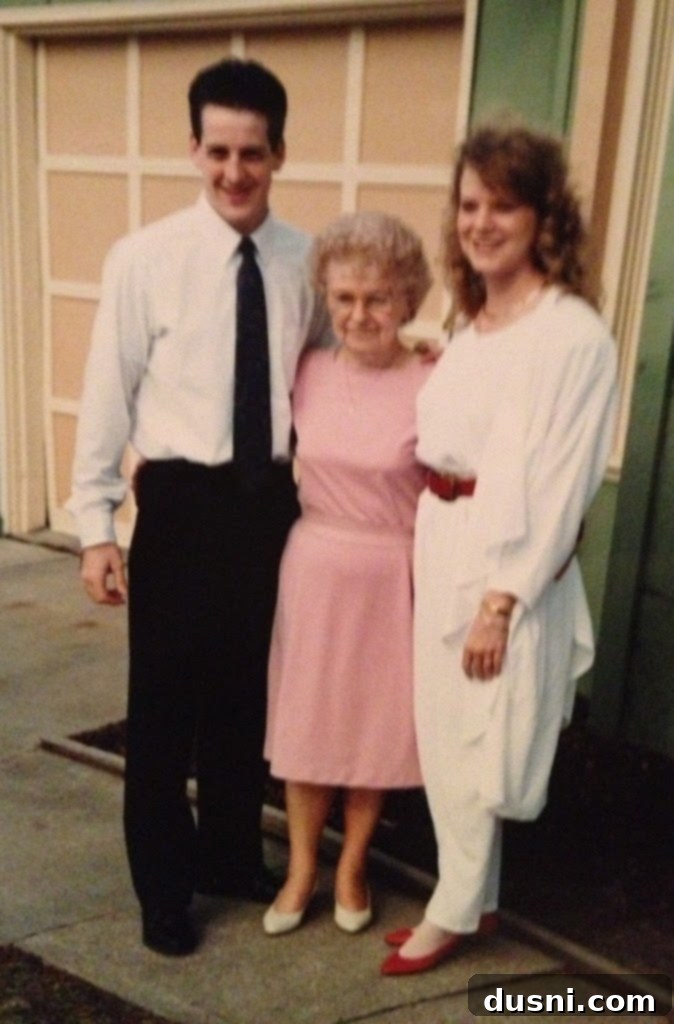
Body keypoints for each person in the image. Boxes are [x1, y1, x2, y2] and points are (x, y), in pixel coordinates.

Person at [68, 58, 332, 957]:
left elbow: (328, 382)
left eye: (251, 153)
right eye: (216, 151)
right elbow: (108, 391)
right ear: (193, 148)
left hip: (270, 506)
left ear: (279, 153)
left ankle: (228, 855)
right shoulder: (145, 259)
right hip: (180, 503)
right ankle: (164, 887)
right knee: (165, 708)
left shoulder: (307, 261)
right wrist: (96, 525)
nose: (233, 171)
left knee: (243, 701)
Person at [381, 124, 618, 976]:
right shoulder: (475, 323)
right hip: (441, 536)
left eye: (503, 205)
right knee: (446, 732)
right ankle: (472, 897)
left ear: (544, 216)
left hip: (503, 558)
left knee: (488, 738)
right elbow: (472, 418)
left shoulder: (573, 335)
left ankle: (450, 909)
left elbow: (559, 487)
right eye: (469, 204)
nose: (481, 223)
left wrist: (502, 598)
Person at [262, 211, 433, 936]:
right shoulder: (304, 369)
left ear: (407, 300)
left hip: (393, 570)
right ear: (326, 301)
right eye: (345, 299)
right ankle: (303, 866)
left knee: (371, 727)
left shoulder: (436, 377)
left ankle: (353, 864)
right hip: (316, 566)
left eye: (378, 298)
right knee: (309, 723)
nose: (360, 314)